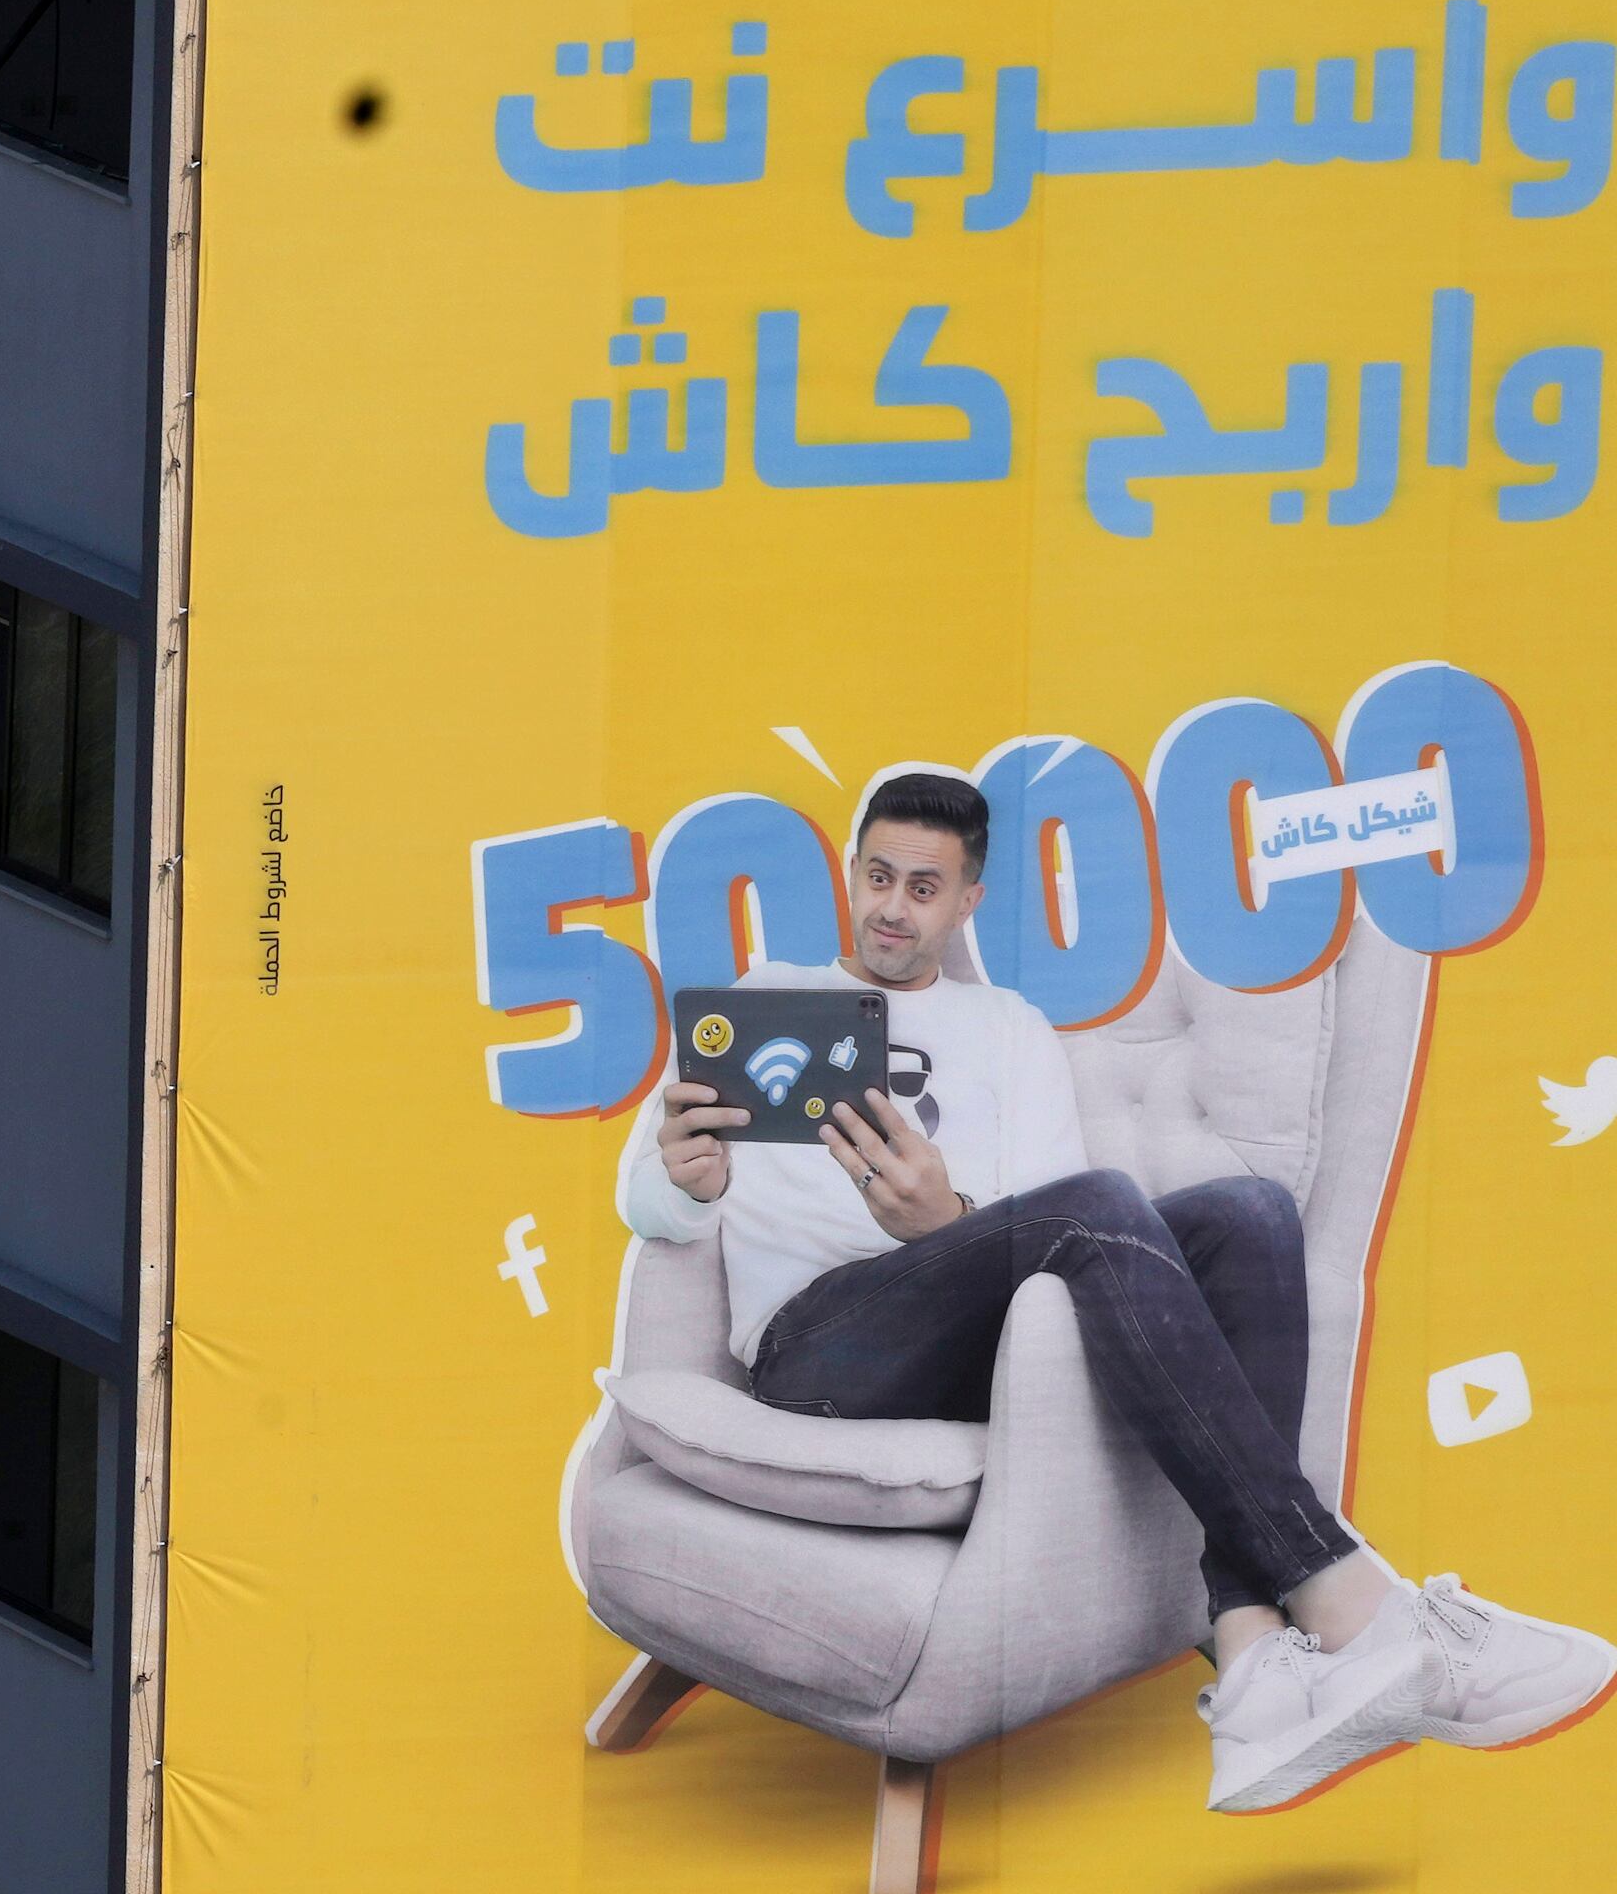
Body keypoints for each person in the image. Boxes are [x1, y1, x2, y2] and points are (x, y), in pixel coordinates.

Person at [617, 767, 1610, 1813]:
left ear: (964, 905)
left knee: (1248, 1213)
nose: (889, 908)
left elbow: (1036, 1218)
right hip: (813, 1347)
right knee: (1095, 1204)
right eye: (874, 877)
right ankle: (1352, 1602)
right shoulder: (762, 1002)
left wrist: (940, 1224)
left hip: (976, 1337)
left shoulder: (1007, 1030)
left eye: (921, 888)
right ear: (848, 875)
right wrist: (684, 1185)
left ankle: (1255, 1667)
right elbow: (651, 1207)